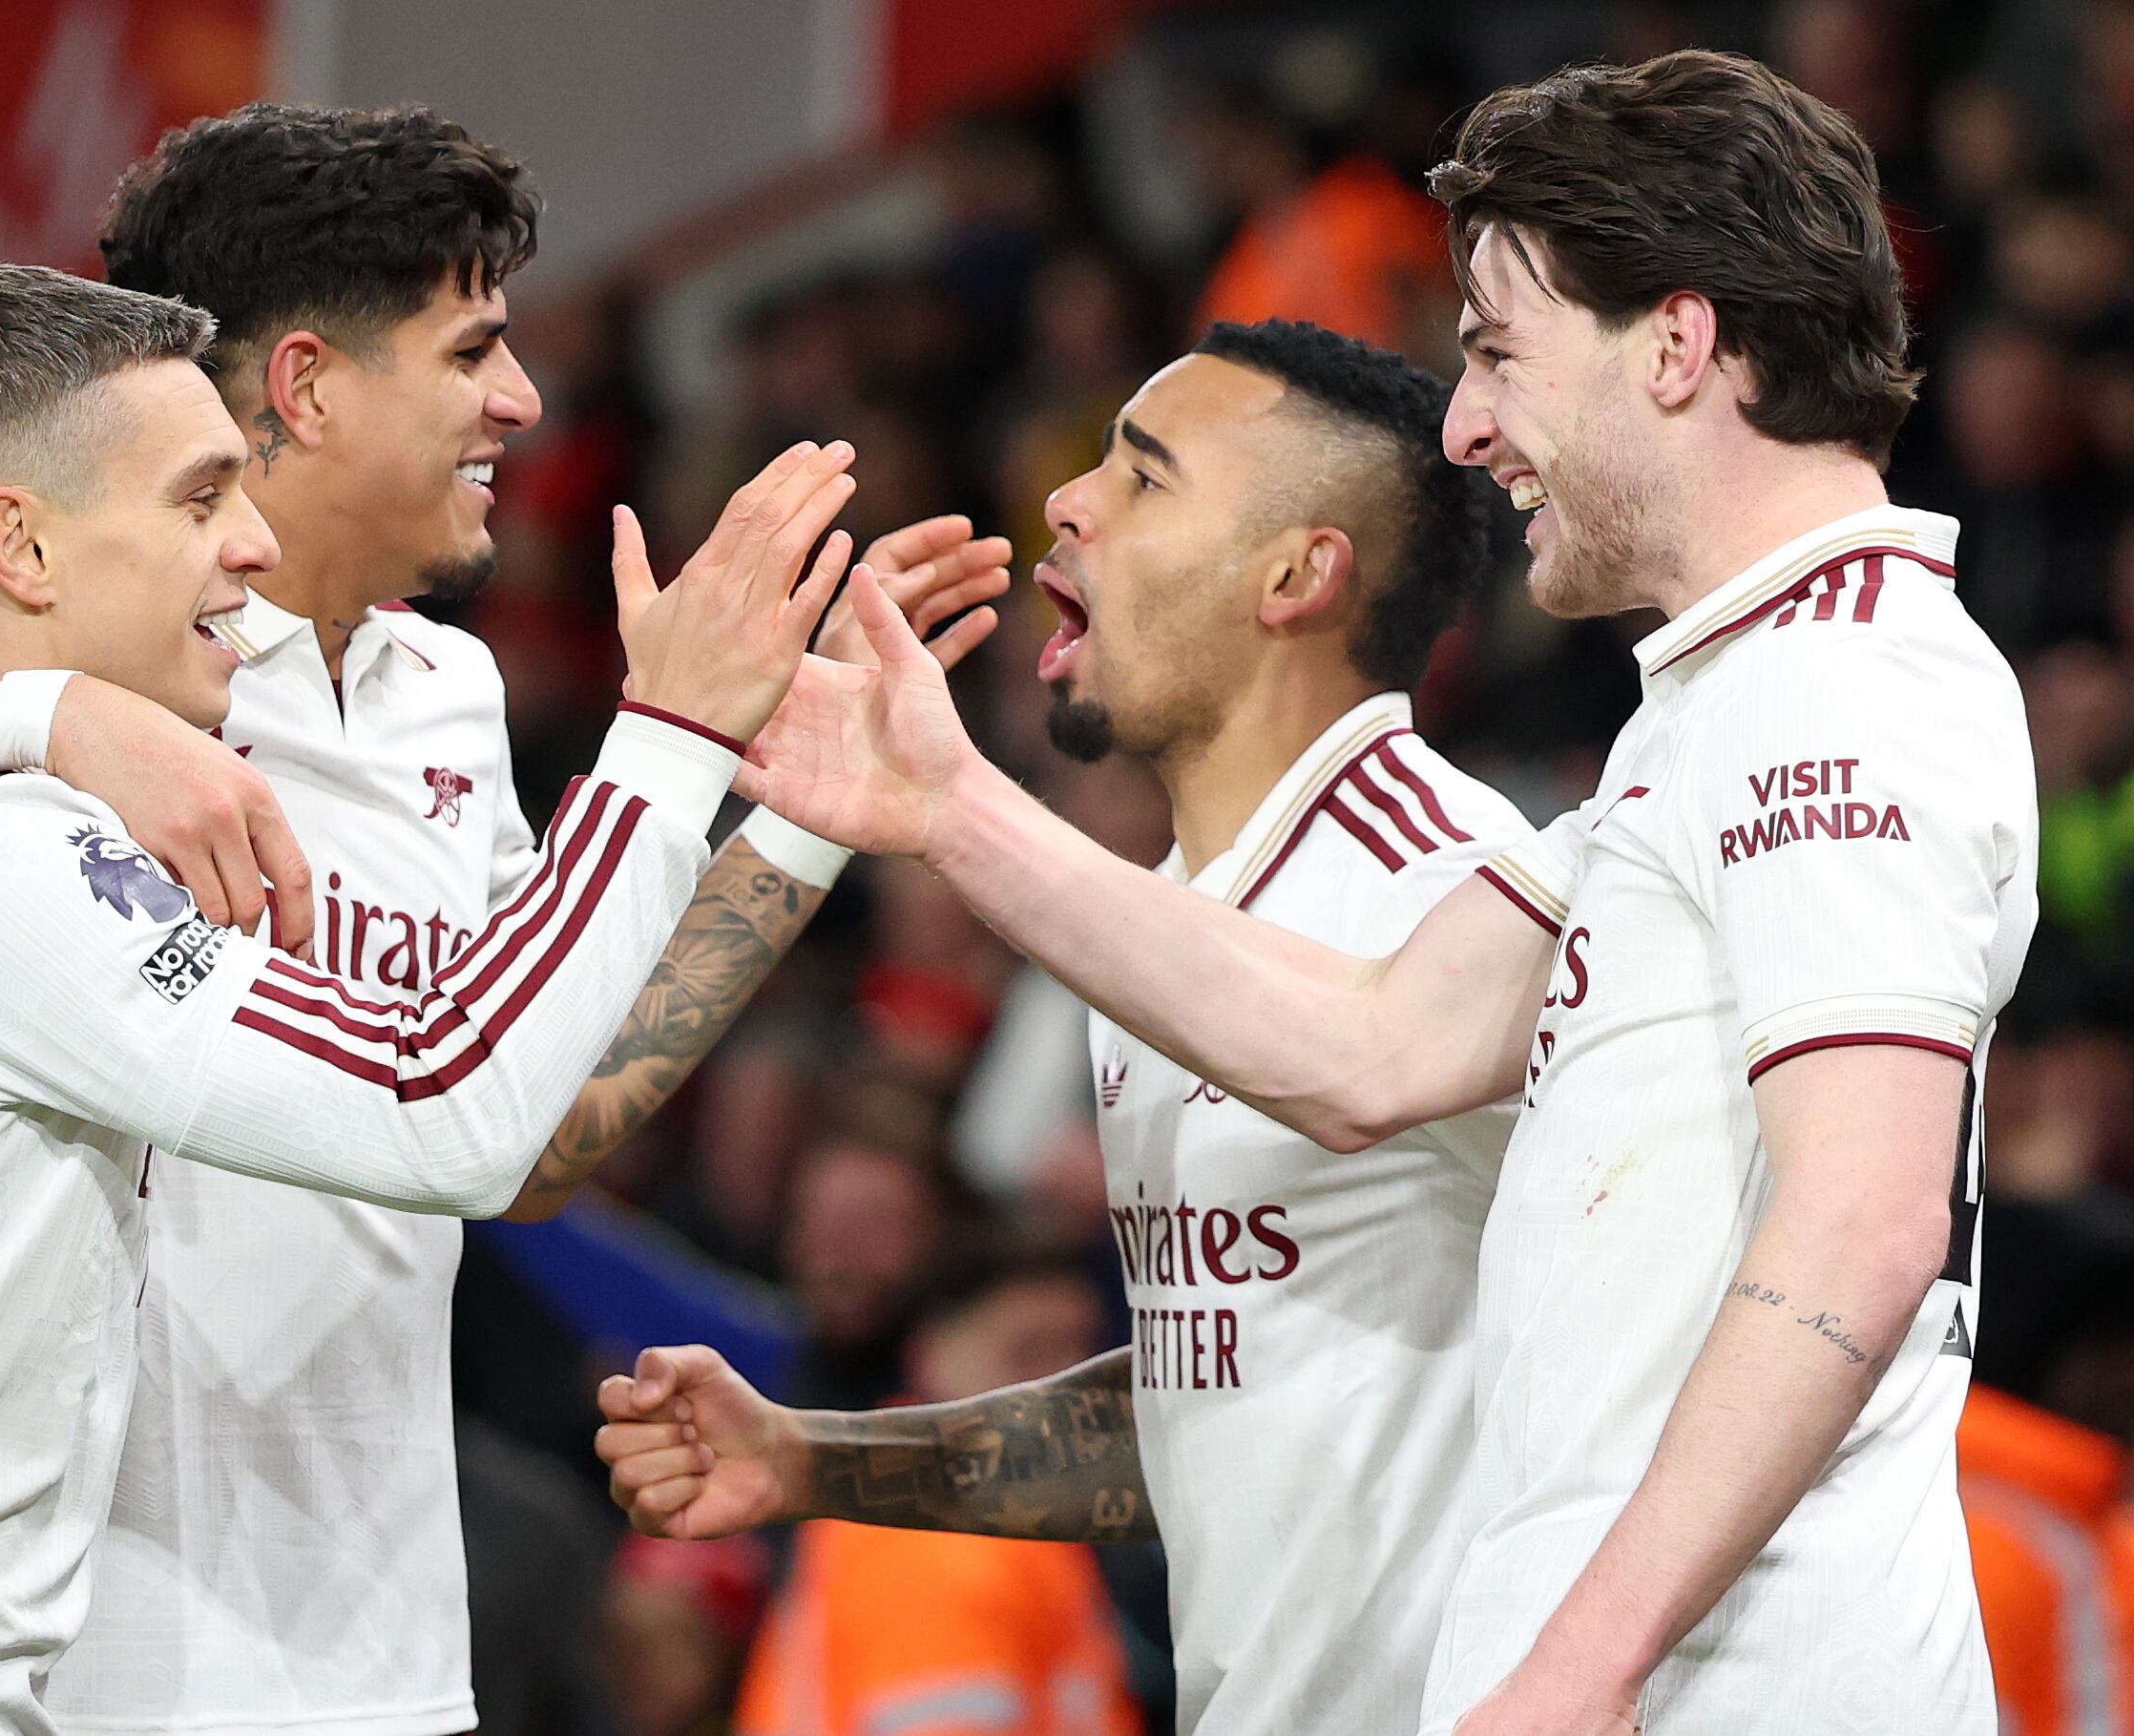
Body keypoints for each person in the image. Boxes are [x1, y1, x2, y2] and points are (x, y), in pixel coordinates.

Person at [0, 105, 1007, 1736]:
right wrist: (53, 718)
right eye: (472, 349)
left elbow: (522, 1119)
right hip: (71, 1662)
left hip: (371, 1645)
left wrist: (793, 821)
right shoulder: (11, 670)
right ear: (309, 386)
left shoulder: (441, 690)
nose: (521, 400)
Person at [718, 52, 2038, 1736]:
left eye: (1497, 350)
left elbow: (1861, 1222)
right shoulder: (1709, 714)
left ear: (1675, 346)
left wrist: (1575, 1667)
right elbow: (1365, 1044)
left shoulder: (1836, 683)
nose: (1467, 422)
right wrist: (947, 808)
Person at [599, 319, 1526, 1734]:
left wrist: (945, 808)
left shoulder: (1459, 892)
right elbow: (1196, 1406)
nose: (1069, 501)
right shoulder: (1160, 917)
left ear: (1295, 575)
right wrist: (810, 1459)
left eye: (1144, 477)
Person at [732, 1242, 1144, 1736]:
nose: (1067, 1390)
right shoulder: (935, 1536)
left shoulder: (968, 1511)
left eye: (1085, 1356)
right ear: (929, 1355)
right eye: (1028, 1353)